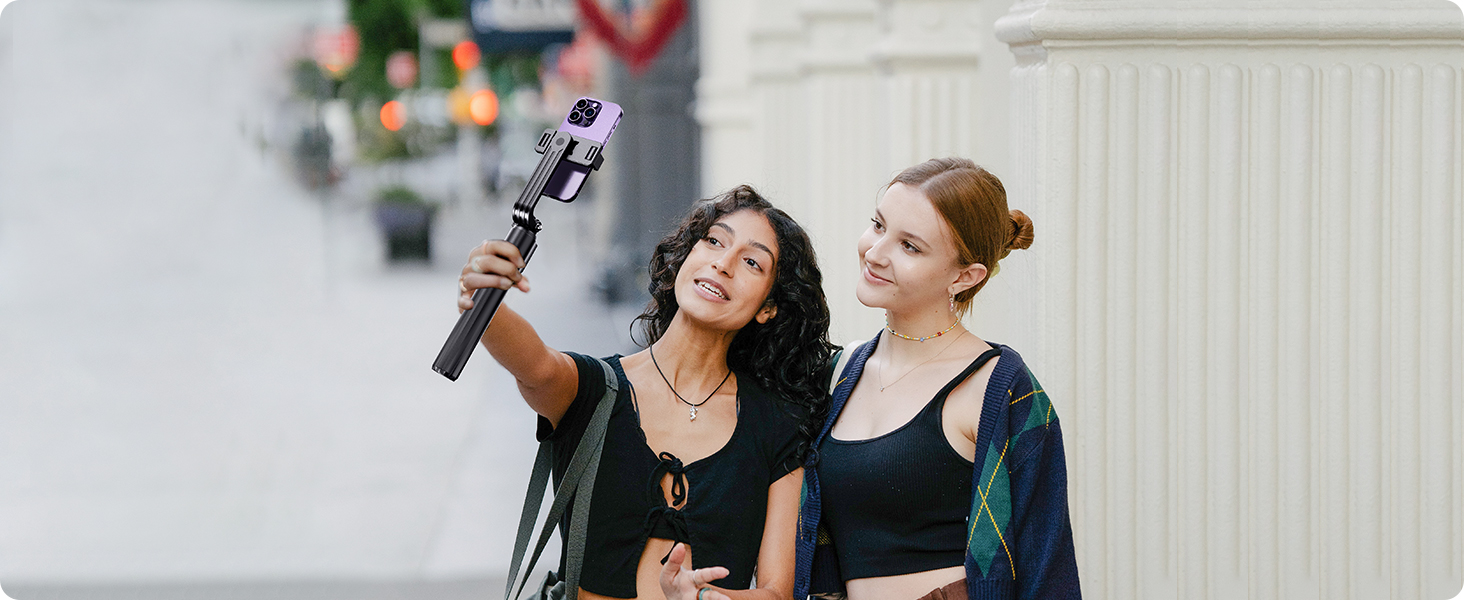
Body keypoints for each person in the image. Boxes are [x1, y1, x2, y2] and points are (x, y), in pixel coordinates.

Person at [459, 185, 834, 600]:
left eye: (751, 262)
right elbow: (535, 364)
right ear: (687, 257)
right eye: (713, 241)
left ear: (769, 307)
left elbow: (777, 593)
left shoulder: (778, 425)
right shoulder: (594, 391)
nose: (723, 263)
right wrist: (484, 297)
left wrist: (705, 599)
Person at [789, 158, 1081, 600]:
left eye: (910, 246)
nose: (875, 251)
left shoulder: (999, 389)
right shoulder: (837, 374)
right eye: (878, 225)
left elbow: (1047, 562)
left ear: (965, 276)